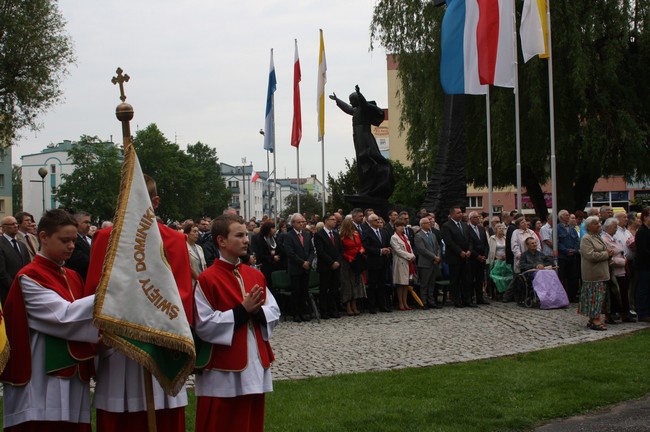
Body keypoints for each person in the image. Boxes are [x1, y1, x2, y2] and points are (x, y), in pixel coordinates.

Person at [85, 175, 193, 432]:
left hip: (160, 344)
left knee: (163, 413)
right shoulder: (105, 238)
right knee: (120, 416)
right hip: (119, 346)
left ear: (154, 202)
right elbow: (94, 292)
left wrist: (156, 327)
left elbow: (182, 295)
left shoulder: (174, 240)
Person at [1, 209, 98, 431]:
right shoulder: (29, 277)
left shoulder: (73, 276)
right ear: (43, 237)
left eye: (74, 240)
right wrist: (106, 295)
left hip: (73, 375)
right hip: (41, 377)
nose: (72, 246)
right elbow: (63, 317)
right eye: (64, 240)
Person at [193, 214, 280, 432]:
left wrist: (258, 311)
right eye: (239, 235)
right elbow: (204, 324)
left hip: (254, 360)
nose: (246, 240)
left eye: (246, 235)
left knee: (250, 419)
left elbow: (274, 310)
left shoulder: (254, 275)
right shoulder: (207, 279)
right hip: (223, 367)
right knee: (222, 420)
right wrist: (242, 310)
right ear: (221, 240)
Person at [330, 85, 394, 198]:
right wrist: (337, 100)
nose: (350, 103)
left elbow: (364, 103)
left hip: (365, 138)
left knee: (368, 158)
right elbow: (347, 108)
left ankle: (375, 182)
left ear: (357, 100)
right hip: (357, 138)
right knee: (361, 163)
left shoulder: (364, 109)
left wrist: (360, 94)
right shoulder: (355, 110)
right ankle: (366, 187)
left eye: (352, 101)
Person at [579, 216, 613, 330]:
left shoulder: (597, 237)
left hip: (601, 273)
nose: (599, 225)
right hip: (593, 274)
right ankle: (595, 319)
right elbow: (590, 255)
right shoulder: (586, 238)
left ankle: (593, 318)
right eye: (595, 223)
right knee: (595, 298)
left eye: (599, 223)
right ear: (588, 227)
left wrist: (608, 253)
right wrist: (606, 254)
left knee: (600, 298)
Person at [283, 213, 315, 322]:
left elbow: (311, 250)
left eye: (302, 222)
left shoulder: (307, 234)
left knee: (304, 291)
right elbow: (290, 253)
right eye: (299, 222)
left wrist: (309, 262)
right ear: (293, 224)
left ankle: (303, 312)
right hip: (296, 268)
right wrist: (302, 263)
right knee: (296, 291)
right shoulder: (288, 236)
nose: (301, 224)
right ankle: (295, 314)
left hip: (306, 268)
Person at [601, 218, 634, 323]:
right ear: (608, 227)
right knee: (614, 294)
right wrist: (622, 262)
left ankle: (624, 313)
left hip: (622, 270)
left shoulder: (614, 238)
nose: (616, 229)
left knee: (623, 292)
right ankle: (611, 315)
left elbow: (620, 251)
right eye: (615, 226)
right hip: (613, 271)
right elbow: (609, 257)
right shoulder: (604, 239)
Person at [441, 207, 474, 308]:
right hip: (454, 257)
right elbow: (449, 242)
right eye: (458, 213)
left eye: (461, 212)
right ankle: (456, 300)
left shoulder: (465, 225)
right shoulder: (447, 226)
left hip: (466, 257)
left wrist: (469, 250)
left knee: (465, 279)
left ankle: (466, 300)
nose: (461, 214)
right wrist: (460, 251)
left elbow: (470, 239)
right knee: (455, 280)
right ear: (452, 215)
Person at [313, 213, 343, 319]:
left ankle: (333, 310)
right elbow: (321, 252)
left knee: (334, 289)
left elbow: (340, 250)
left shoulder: (336, 234)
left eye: (336, 219)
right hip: (325, 267)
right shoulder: (319, 235)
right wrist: (331, 263)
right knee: (324, 289)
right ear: (326, 221)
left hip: (336, 266)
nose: (335, 221)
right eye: (332, 219)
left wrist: (338, 262)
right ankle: (324, 311)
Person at [362, 213, 392, 313]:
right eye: (376, 220)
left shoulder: (384, 232)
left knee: (382, 285)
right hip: (373, 262)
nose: (378, 222)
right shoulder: (366, 232)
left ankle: (382, 305)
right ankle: (372, 306)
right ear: (371, 222)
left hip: (383, 262)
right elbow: (366, 247)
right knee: (372, 285)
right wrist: (379, 251)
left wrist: (388, 249)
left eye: (379, 220)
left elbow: (387, 244)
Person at [0, 215, 31, 304]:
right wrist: (15, 287)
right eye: (12, 224)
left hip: (23, 289)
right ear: (4, 227)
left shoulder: (22, 245)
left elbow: (28, 266)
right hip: (7, 291)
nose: (16, 226)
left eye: (16, 223)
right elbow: (2, 272)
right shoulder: (1, 244)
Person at [339, 218, 365, 316]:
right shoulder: (341, 237)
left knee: (356, 283)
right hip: (347, 262)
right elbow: (341, 251)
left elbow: (360, 245)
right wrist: (349, 258)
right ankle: (348, 306)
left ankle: (355, 305)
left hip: (357, 261)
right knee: (347, 285)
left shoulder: (356, 234)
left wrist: (362, 250)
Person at [414, 217, 442, 309]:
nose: (429, 224)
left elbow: (438, 247)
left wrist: (438, 257)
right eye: (427, 223)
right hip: (425, 263)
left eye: (429, 222)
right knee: (424, 284)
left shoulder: (432, 234)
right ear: (422, 225)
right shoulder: (418, 236)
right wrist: (434, 257)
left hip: (434, 263)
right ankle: (423, 302)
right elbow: (422, 250)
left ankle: (431, 301)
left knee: (431, 284)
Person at [390, 220, 417, 311]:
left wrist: (412, 255)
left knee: (406, 284)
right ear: (396, 227)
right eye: (400, 226)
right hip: (400, 262)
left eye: (403, 226)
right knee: (400, 283)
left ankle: (405, 302)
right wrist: (410, 256)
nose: (402, 228)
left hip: (408, 262)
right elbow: (398, 250)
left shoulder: (405, 236)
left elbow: (409, 247)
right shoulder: (394, 237)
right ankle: (400, 303)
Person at [252, 221, 283, 295]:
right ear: (267, 229)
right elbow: (259, 254)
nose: (274, 230)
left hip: (275, 266)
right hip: (264, 267)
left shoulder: (274, 238)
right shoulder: (258, 238)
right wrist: (272, 258)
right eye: (272, 228)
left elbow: (280, 249)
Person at [557, 209, 581, 302]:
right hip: (562, 257)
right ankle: (562, 296)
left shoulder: (572, 229)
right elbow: (557, 242)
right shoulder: (557, 228)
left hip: (573, 256)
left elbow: (576, 241)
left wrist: (574, 250)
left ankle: (572, 296)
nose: (568, 217)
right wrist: (566, 250)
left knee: (573, 277)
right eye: (566, 215)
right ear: (561, 217)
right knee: (562, 277)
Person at [467, 211, 490, 305]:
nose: (478, 219)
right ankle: (470, 297)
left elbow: (485, 244)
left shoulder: (481, 229)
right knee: (471, 279)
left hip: (482, 258)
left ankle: (480, 298)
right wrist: (477, 256)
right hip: (473, 259)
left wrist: (485, 255)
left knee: (480, 279)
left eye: (479, 217)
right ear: (471, 219)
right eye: (476, 217)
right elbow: (469, 245)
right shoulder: (467, 229)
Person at [65, 211, 92, 281]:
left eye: (89, 222)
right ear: (76, 223)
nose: (89, 225)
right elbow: (82, 260)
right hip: (79, 279)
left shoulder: (90, 238)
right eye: (86, 222)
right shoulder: (72, 240)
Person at [634, 208, 650, 323]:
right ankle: (642, 313)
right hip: (644, 265)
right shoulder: (642, 232)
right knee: (643, 289)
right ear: (645, 217)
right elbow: (643, 251)